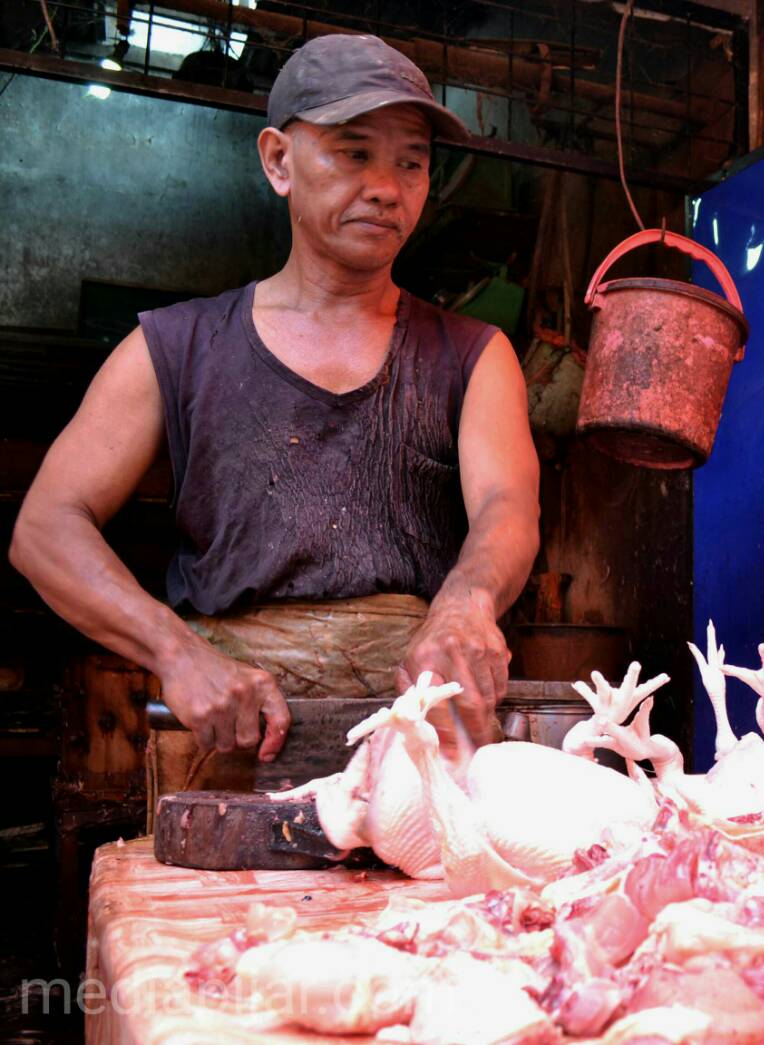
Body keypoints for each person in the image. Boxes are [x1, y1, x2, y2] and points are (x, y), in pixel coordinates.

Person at [9, 35, 540, 772]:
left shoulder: (474, 354)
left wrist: (467, 600)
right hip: (233, 737)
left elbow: (507, 507)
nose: (387, 186)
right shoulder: (176, 345)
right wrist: (178, 651)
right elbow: (43, 530)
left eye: (411, 161)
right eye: (354, 153)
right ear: (278, 161)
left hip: (414, 739)